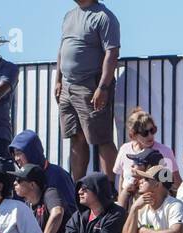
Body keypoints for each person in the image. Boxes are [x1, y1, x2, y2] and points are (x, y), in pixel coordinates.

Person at [55, 0, 121, 180]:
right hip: (68, 87)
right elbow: (62, 49)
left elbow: (112, 53)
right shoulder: (69, 15)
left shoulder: (104, 16)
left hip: (90, 86)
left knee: (102, 139)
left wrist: (103, 87)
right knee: (76, 137)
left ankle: (109, 190)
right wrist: (58, 80)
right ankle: (78, 188)